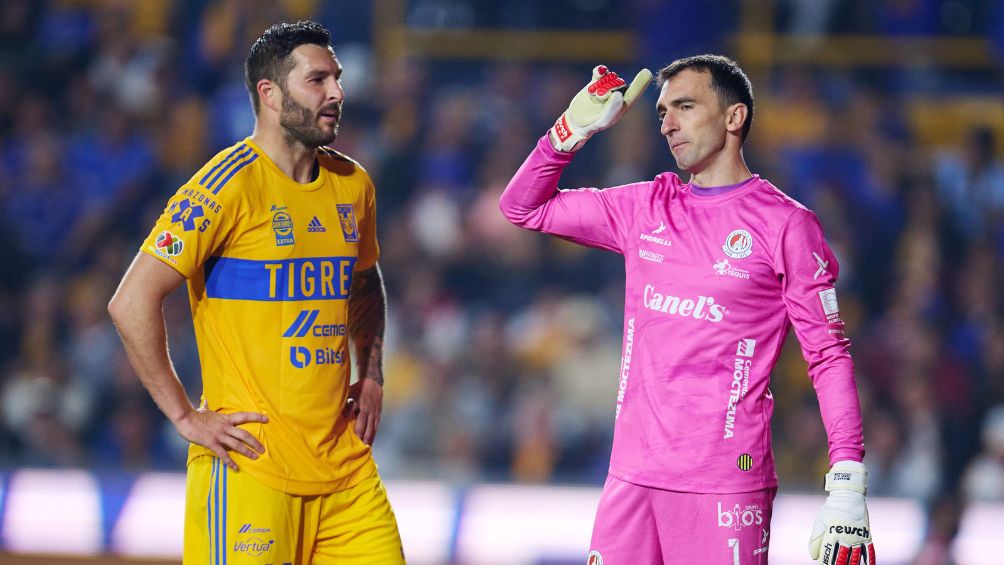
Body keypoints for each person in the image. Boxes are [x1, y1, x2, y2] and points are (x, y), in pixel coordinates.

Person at [499, 56, 875, 565]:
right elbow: (522, 207)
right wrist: (569, 132)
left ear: (734, 117)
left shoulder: (785, 225)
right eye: (661, 113)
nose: (668, 124)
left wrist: (847, 483)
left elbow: (828, 355)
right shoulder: (645, 206)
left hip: (722, 486)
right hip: (631, 479)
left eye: (685, 106)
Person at [108, 20, 405, 564]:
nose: (337, 92)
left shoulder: (353, 183)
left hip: (346, 473)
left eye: (336, 79)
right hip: (251, 469)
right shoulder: (224, 187)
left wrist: (374, 370)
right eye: (318, 80)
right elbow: (130, 301)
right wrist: (184, 416)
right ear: (270, 94)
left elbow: (364, 281)